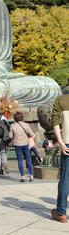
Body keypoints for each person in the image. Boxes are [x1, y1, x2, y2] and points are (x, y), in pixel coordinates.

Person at [51, 94, 69, 223]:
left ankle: (61, 212)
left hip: (68, 143)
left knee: (65, 179)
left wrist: (61, 142)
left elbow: (55, 121)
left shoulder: (61, 100)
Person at [9, 111, 34, 182]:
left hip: (17, 144)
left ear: (15, 118)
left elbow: (10, 136)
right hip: (26, 144)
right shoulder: (26, 125)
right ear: (22, 117)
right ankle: (31, 175)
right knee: (28, 159)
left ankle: (22, 176)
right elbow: (31, 134)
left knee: (20, 160)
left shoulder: (12, 126)